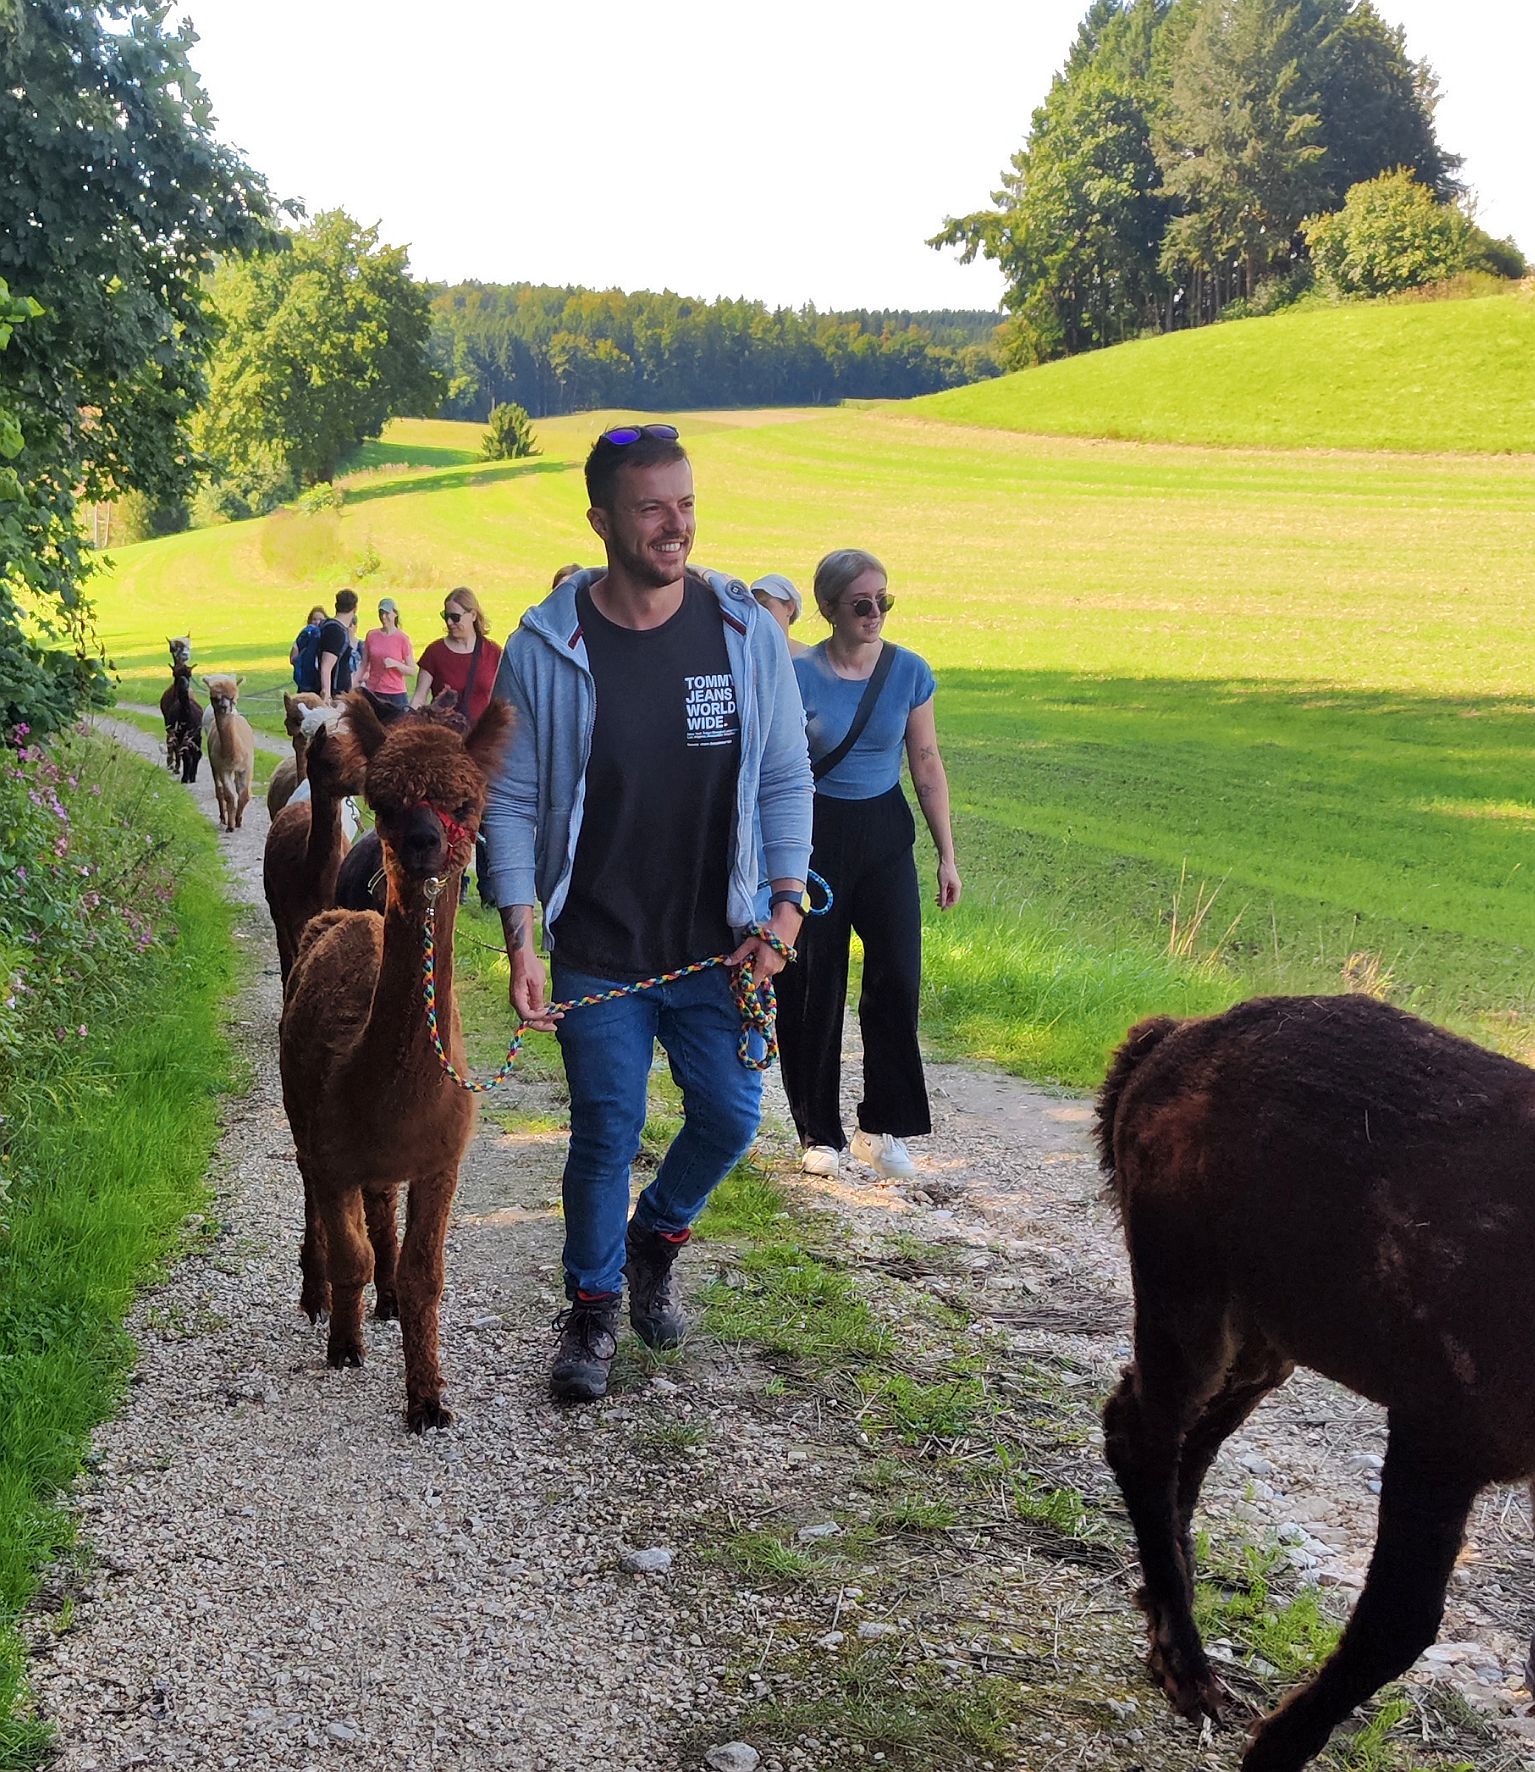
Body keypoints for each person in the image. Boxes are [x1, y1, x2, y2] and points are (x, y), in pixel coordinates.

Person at [482, 423, 812, 1403]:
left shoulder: (743, 630)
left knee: (731, 1118)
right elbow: (510, 799)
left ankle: (652, 1240)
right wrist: (520, 934)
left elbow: (784, 776)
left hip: (720, 944)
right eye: (651, 507)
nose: (676, 525)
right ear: (600, 520)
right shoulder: (545, 647)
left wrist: (785, 908)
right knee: (606, 1127)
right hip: (597, 944)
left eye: (686, 504)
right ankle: (590, 1311)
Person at [774, 548, 961, 1184]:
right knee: (811, 987)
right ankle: (818, 1132)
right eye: (861, 602)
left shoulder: (909, 671)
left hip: (885, 836)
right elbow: (775, 769)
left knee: (897, 979)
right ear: (829, 608)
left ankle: (884, 1127)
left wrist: (946, 855)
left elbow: (926, 763)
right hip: (816, 836)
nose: (875, 612)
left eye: (884, 600)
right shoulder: (798, 676)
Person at [412, 587, 503, 727]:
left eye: (455, 617)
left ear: (473, 615)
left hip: (483, 736)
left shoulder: (493, 652)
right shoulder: (434, 653)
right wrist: (409, 721)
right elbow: (419, 697)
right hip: (444, 735)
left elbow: (504, 699)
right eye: (446, 616)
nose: (449, 622)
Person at [360, 596, 415, 709]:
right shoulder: (371, 635)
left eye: (387, 613)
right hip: (374, 691)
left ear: (395, 614)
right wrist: (353, 683)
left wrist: (396, 664)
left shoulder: (402, 638)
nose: (383, 617)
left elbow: (412, 670)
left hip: (396, 693)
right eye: (381, 613)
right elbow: (363, 665)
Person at [751, 573, 809, 657]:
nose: (757, 614)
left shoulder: (810, 658)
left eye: (764, 606)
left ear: (789, 608)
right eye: (753, 608)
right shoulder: (747, 656)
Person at [317, 589, 359, 703]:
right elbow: (326, 666)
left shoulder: (330, 626)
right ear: (355, 608)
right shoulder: (336, 631)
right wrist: (327, 696)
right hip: (335, 695)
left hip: (339, 694)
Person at [290, 605, 327, 693]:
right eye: (314, 619)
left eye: (320, 619)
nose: (317, 622)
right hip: (306, 678)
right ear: (309, 621)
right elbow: (293, 658)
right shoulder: (305, 635)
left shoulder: (327, 635)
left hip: (319, 679)